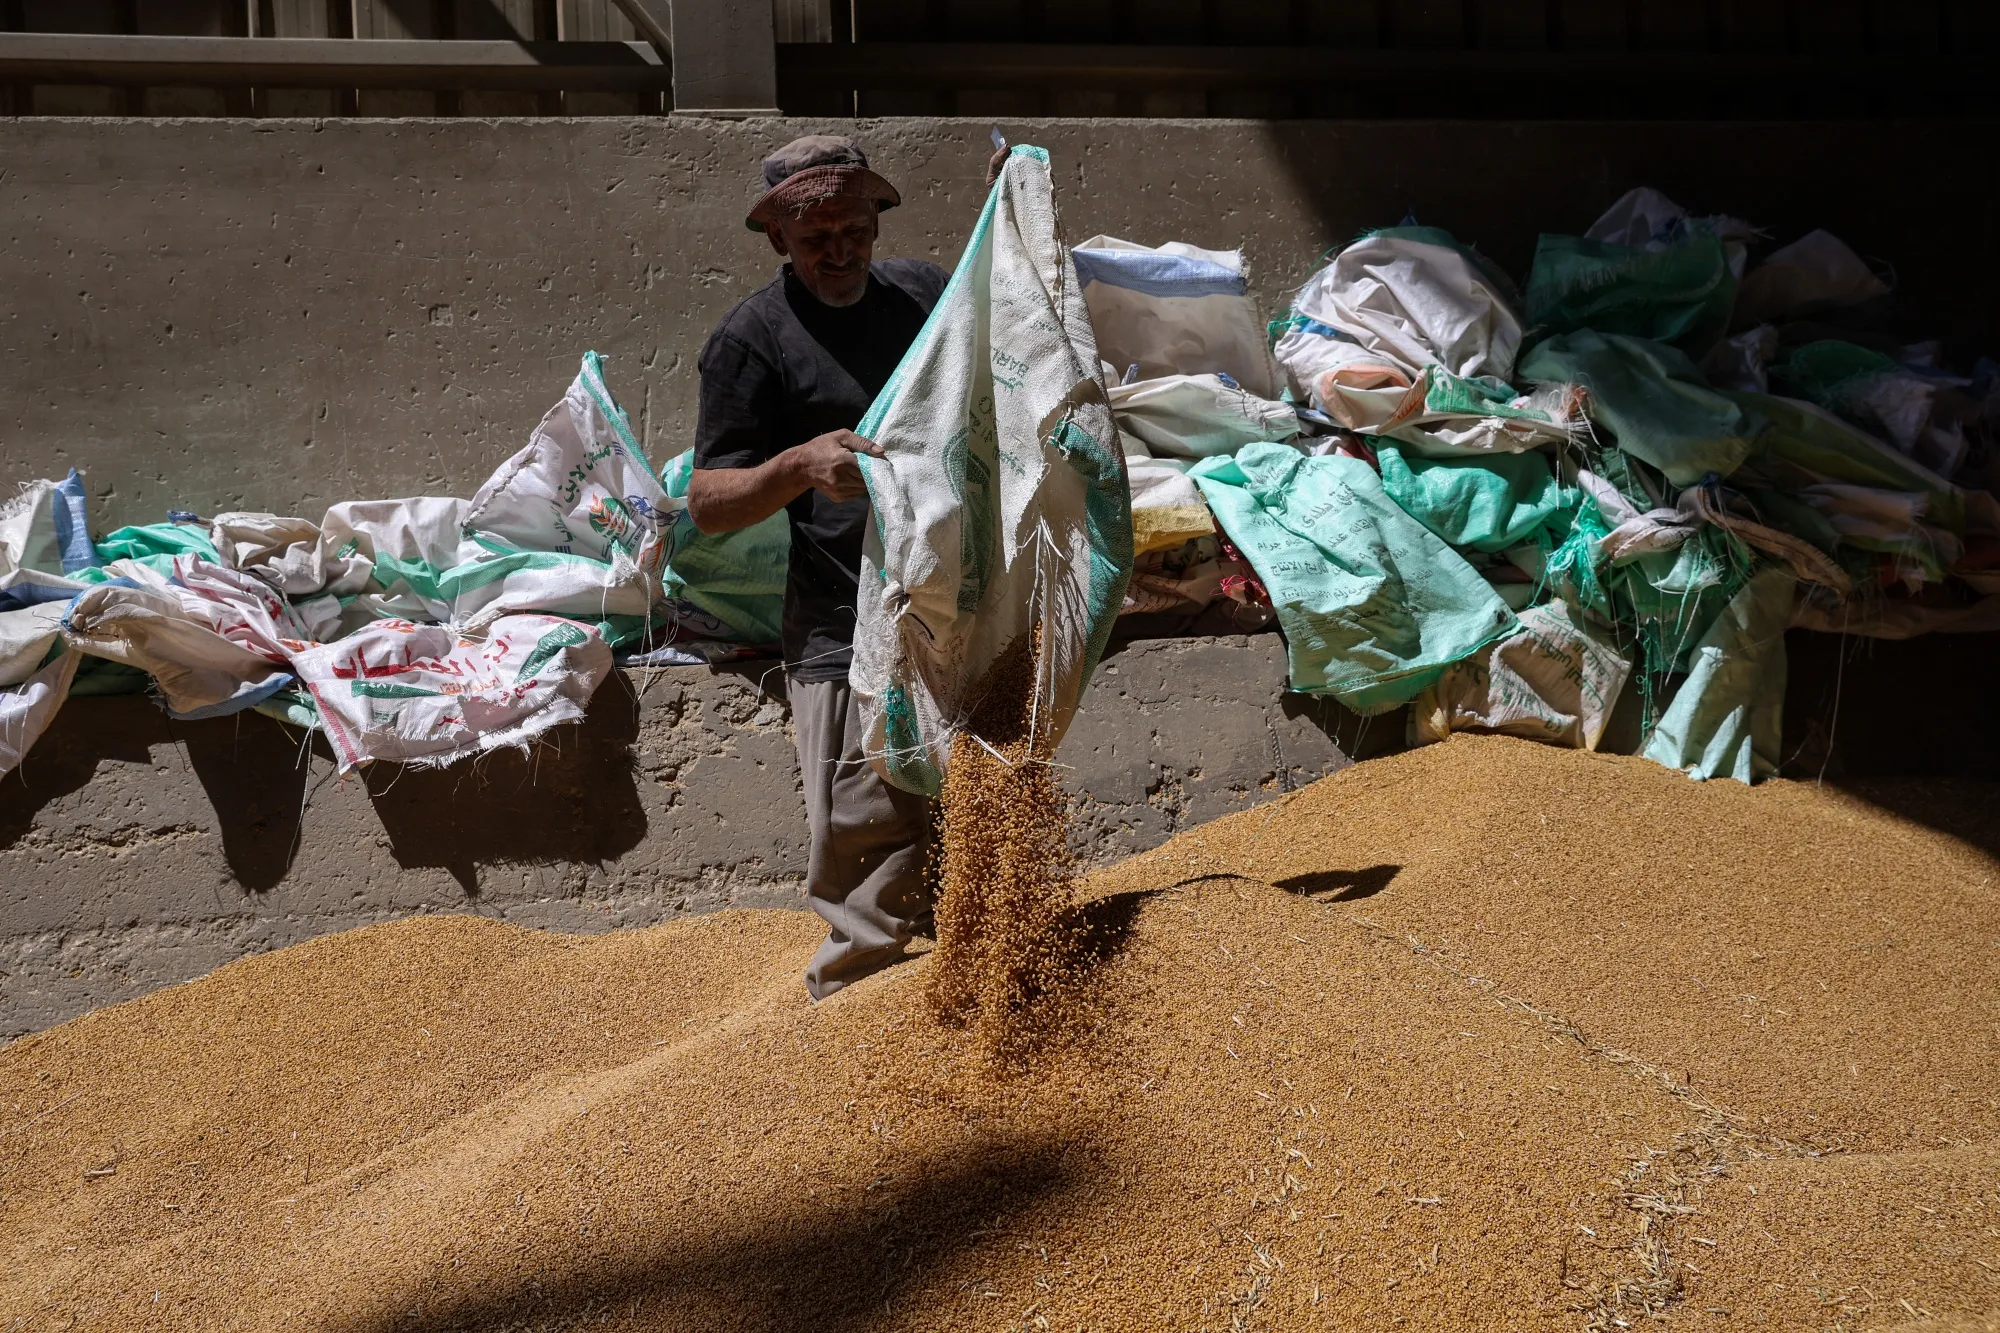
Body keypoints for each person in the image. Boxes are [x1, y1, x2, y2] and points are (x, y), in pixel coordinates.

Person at [688, 134, 997, 1000]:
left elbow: (1001, 337)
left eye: (854, 230)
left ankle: (969, 998)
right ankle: (852, 1013)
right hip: (838, 626)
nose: (839, 252)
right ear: (776, 238)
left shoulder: (924, 297)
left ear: (877, 220)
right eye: (815, 237)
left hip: (950, 607)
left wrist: (1007, 218)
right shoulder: (752, 340)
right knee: (864, 835)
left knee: (976, 823)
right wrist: (798, 466)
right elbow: (707, 503)